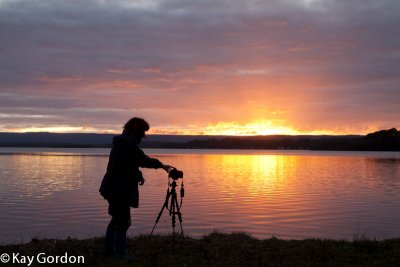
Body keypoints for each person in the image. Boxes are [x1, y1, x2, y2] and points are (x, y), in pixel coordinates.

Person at [99, 117, 172, 258]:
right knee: (122, 220)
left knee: (117, 219)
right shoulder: (127, 143)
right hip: (117, 189)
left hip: (112, 187)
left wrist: (138, 175)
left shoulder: (124, 141)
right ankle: (120, 253)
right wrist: (160, 165)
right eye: (143, 132)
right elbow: (141, 159)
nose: (144, 136)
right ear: (137, 130)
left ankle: (108, 251)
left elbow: (128, 163)